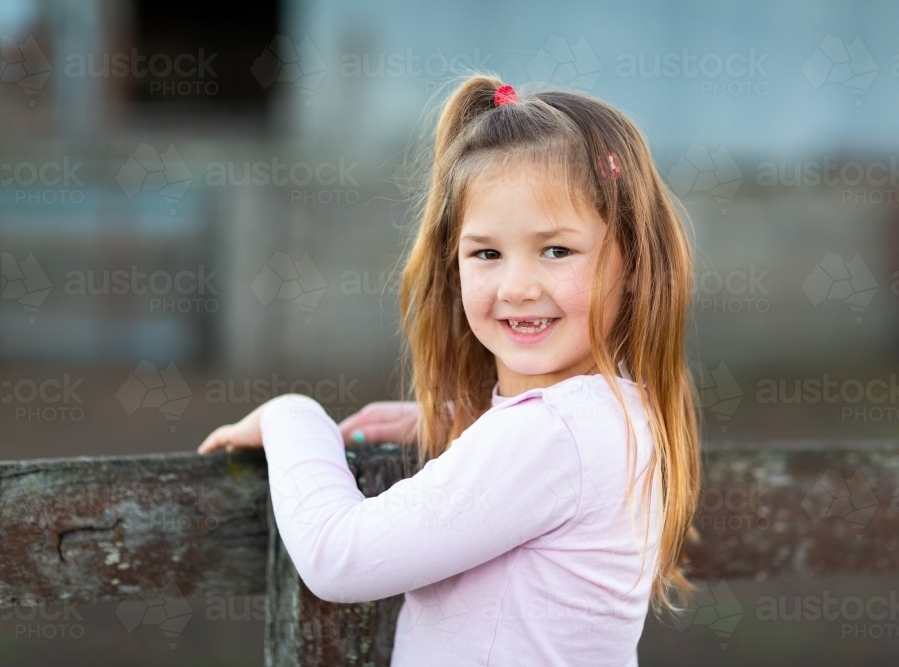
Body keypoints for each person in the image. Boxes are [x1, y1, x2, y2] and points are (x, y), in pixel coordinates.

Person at [197, 74, 700, 666]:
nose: (516, 287)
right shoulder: (618, 410)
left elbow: (340, 558)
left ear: (634, 263)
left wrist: (293, 417)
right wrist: (467, 421)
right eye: (486, 253)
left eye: (557, 250)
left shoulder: (551, 436)